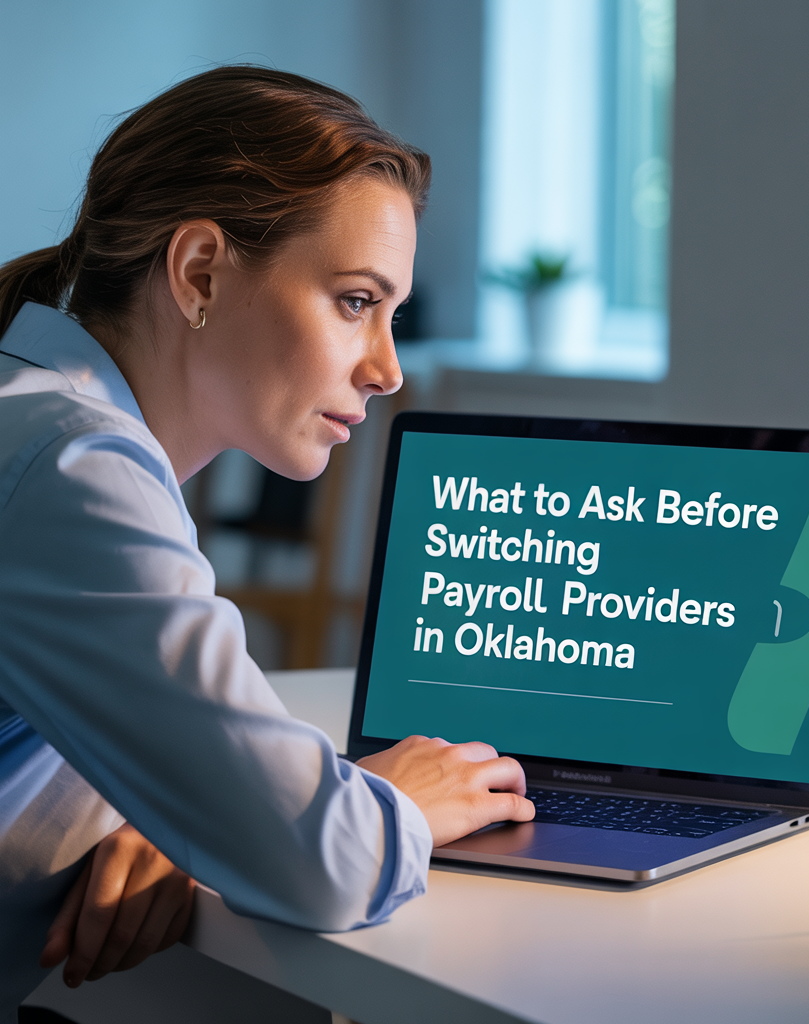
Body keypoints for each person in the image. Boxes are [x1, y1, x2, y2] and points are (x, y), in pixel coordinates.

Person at [0, 66, 535, 1016]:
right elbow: (322, 860)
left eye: (393, 313)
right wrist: (399, 801)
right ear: (200, 271)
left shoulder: (38, 417)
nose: (388, 370)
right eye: (356, 302)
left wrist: (188, 813)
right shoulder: (76, 470)